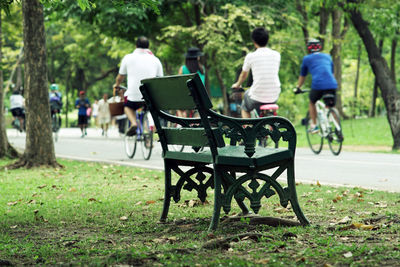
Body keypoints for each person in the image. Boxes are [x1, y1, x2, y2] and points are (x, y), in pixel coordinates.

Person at [113, 36, 163, 136]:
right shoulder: (156, 60)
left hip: (133, 97)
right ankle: (149, 138)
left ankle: (134, 123)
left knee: (127, 107)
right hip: (150, 97)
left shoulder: (128, 58)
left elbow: (120, 78)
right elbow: (160, 79)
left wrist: (117, 85)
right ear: (148, 46)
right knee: (149, 109)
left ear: (136, 46)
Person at [232, 27, 281, 118]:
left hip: (257, 95)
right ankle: (271, 126)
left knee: (245, 106)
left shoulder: (251, 56)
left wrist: (238, 84)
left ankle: (248, 129)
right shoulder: (276, 55)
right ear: (267, 40)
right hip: (274, 94)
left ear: (254, 42)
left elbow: (244, 75)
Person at [295, 38, 338, 133]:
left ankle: (314, 125)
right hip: (332, 84)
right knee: (332, 106)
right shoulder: (328, 56)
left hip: (318, 85)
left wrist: (298, 87)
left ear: (308, 48)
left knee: (312, 102)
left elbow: (303, 76)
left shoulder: (307, 59)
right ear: (320, 47)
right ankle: (338, 128)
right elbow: (332, 73)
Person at [177, 47, 205, 117]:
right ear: (198, 58)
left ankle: (183, 122)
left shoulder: (182, 69)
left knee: (179, 108)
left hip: (186, 100)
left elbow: (179, 86)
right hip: (200, 100)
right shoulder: (202, 69)